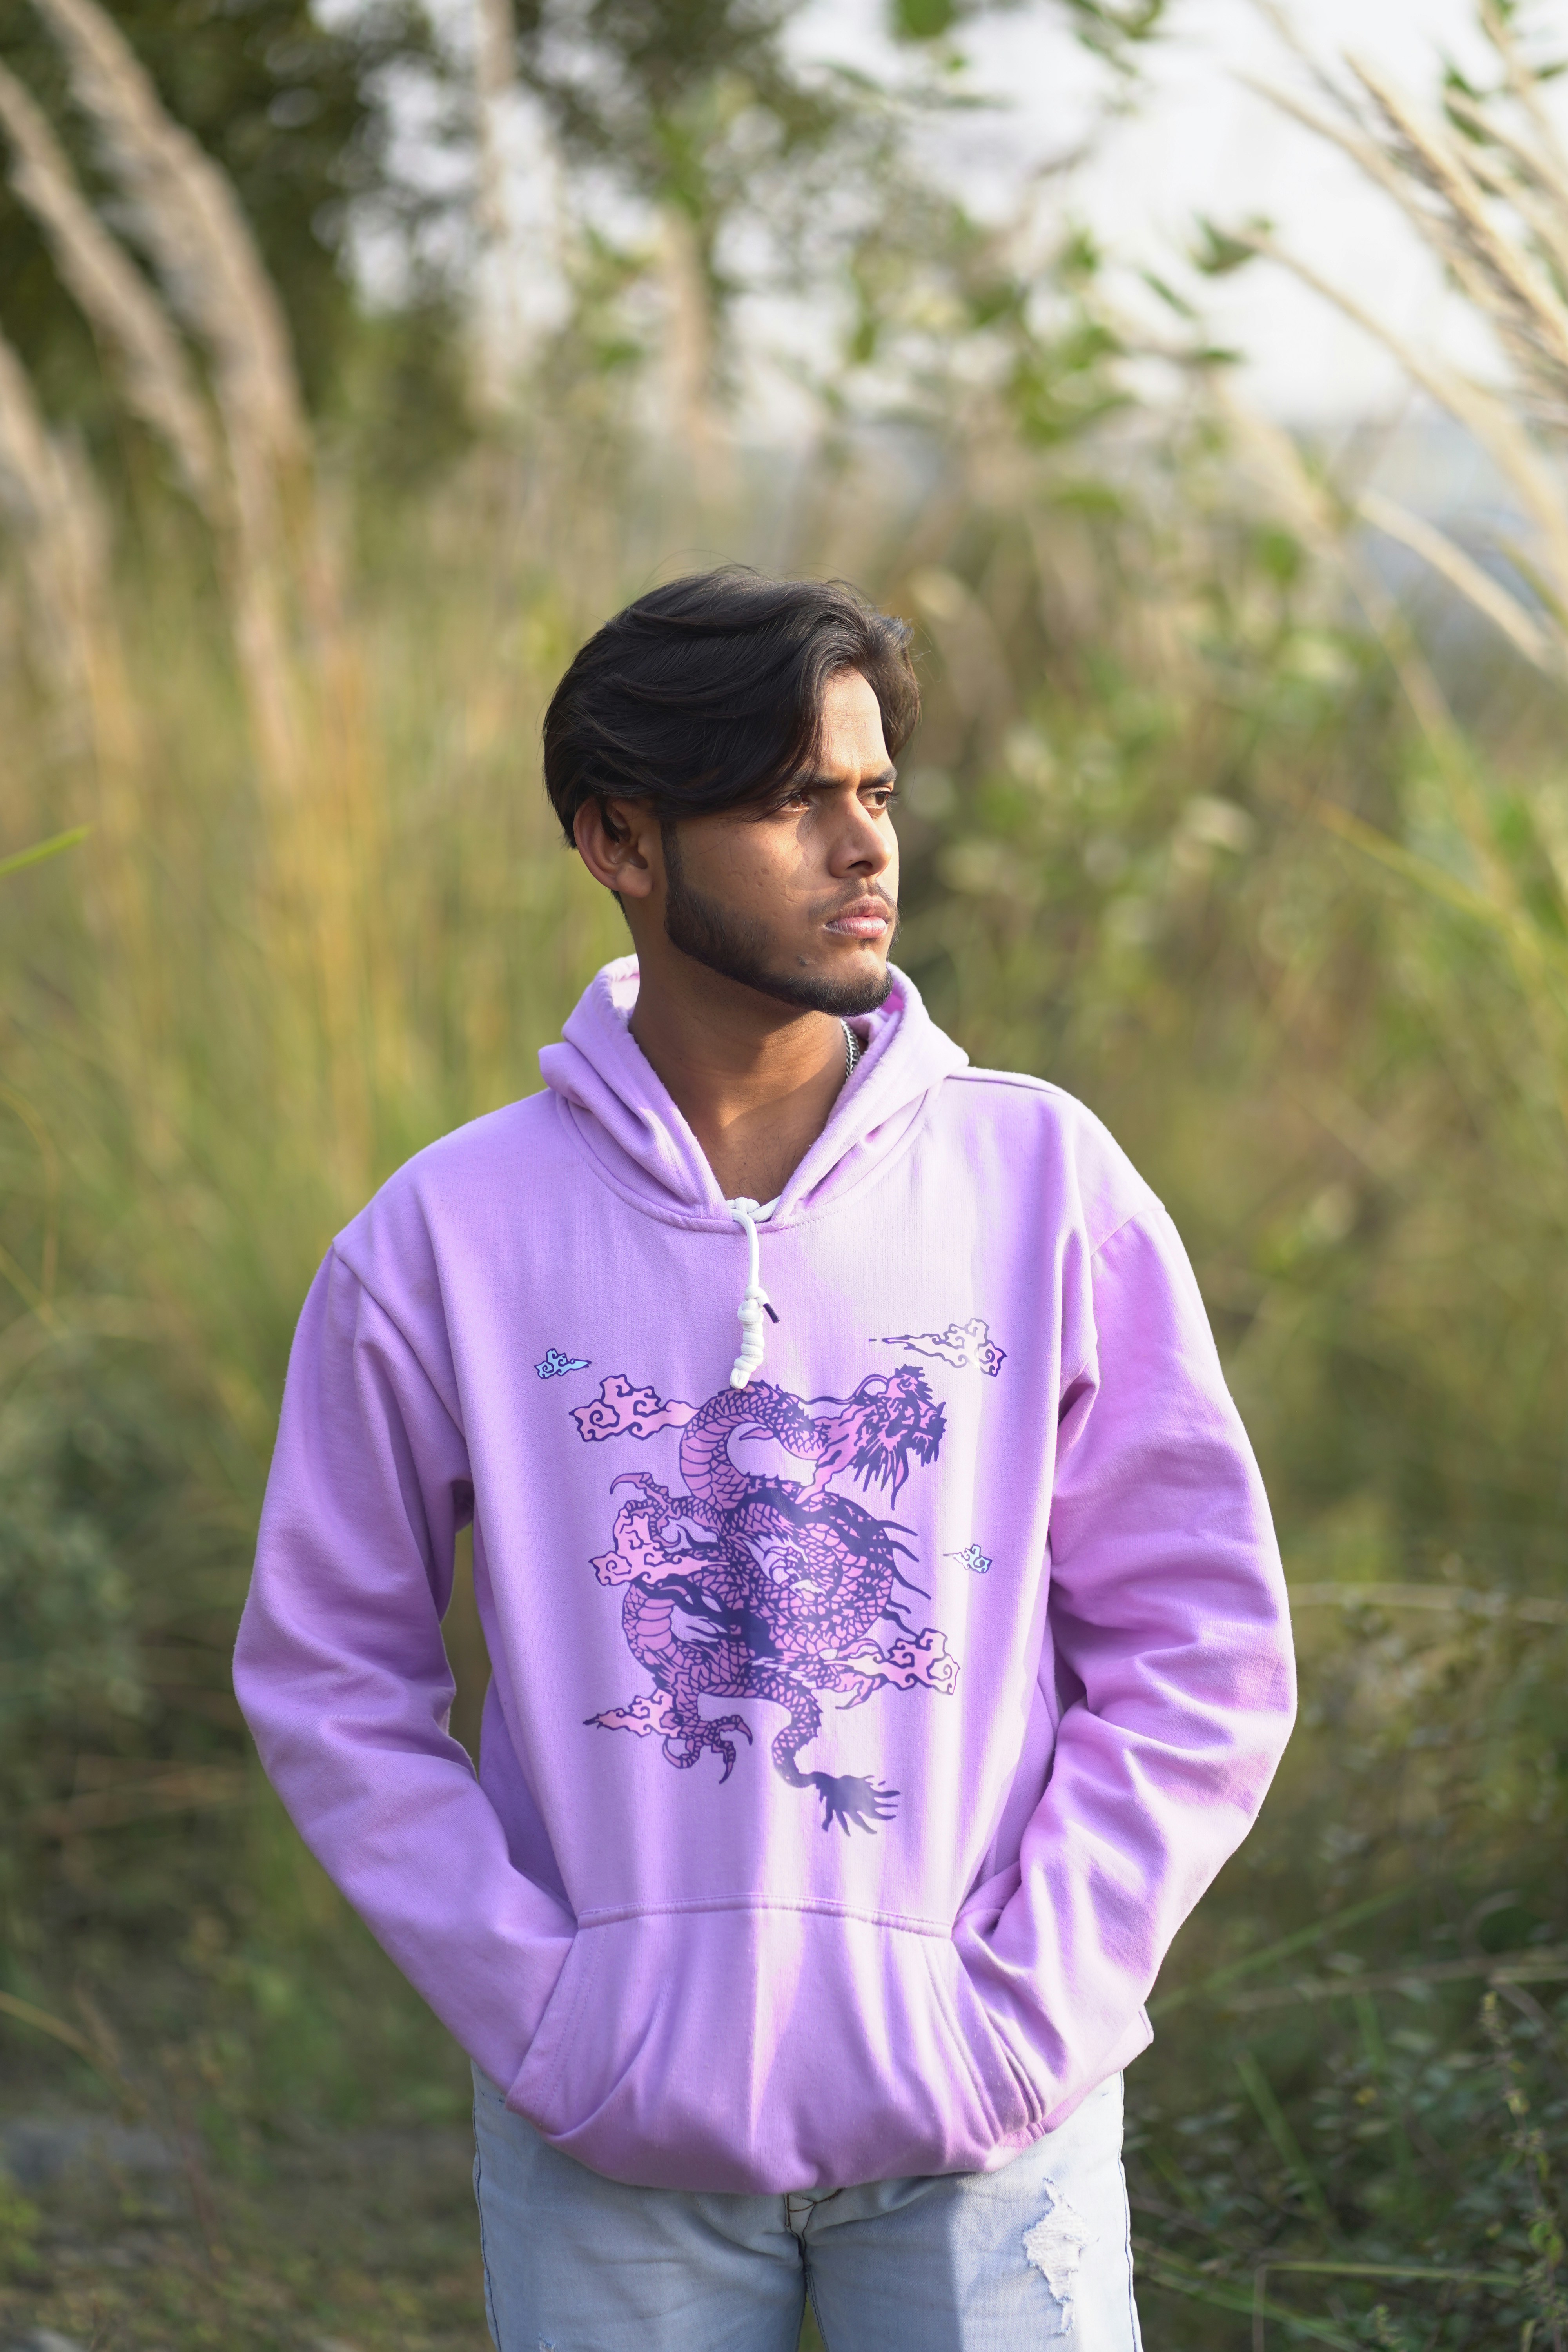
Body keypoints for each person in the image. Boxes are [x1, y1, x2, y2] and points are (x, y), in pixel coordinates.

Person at [234, 568, 1296, 2351]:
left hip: (986, 2129)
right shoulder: (444, 1240)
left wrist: (1030, 2006)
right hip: (612, 2141)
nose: (861, 846)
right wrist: (546, 2011)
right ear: (620, 841)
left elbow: (1202, 1646)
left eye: (874, 793)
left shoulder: (1043, 1185)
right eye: (793, 799)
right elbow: (330, 1675)